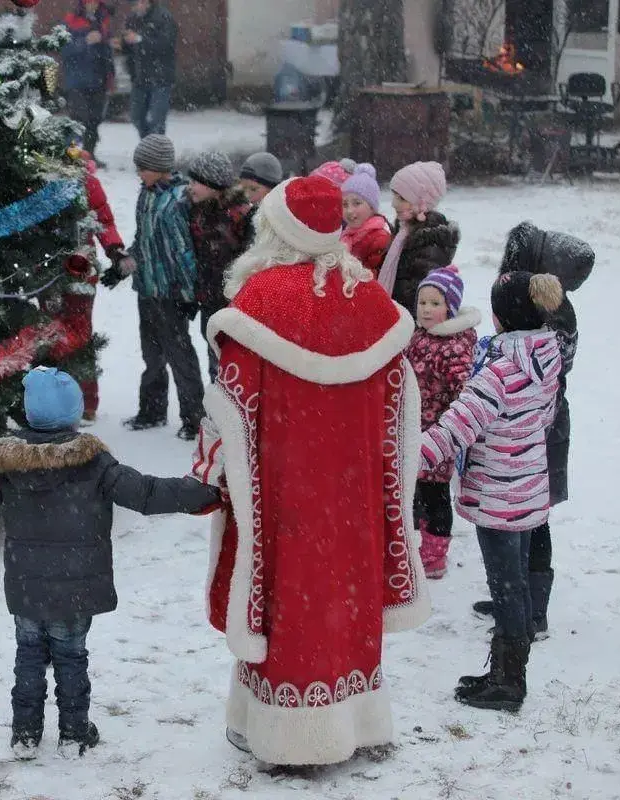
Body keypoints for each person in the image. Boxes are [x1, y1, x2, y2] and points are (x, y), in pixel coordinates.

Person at [190, 175, 429, 767]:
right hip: (353, 496)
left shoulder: (259, 303)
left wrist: (212, 472)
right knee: (345, 600)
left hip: (286, 492)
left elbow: (231, 408)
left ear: (274, 231)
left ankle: (284, 734)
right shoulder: (372, 301)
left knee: (289, 601)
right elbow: (401, 408)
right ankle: (356, 719)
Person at [0, 367, 222, 759]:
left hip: (27, 586)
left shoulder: (7, 466)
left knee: (28, 656)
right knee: (71, 657)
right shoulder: (93, 463)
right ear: (73, 414)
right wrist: (200, 494)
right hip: (76, 586)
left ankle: (25, 734)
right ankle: (74, 733)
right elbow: (145, 493)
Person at [421, 272, 563, 712]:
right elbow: (543, 418)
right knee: (515, 585)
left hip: (499, 496)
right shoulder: (546, 353)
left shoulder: (499, 372)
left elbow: (453, 430)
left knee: (506, 590)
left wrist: (401, 462)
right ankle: (504, 671)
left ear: (501, 318)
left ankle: (508, 682)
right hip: (527, 488)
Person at [472, 222, 595, 637]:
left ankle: (532, 611)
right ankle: (515, 598)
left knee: (533, 517)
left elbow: (549, 367)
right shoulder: (545, 306)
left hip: (543, 424)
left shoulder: (553, 311)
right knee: (519, 518)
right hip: (532, 420)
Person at [114, 135, 204, 440]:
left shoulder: (178, 200)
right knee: (151, 354)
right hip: (147, 289)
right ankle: (152, 410)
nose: (138, 173)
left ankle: (194, 418)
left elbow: (184, 252)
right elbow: (144, 240)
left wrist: (190, 293)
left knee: (180, 355)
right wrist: (126, 264)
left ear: (160, 167)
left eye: (143, 168)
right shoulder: (147, 195)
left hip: (172, 293)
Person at [404, 265, 480, 578]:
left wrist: (446, 429)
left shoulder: (455, 345)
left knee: (435, 494)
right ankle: (416, 541)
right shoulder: (418, 335)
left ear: (449, 307)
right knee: (415, 487)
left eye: (435, 303)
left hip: (439, 435)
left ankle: (435, 555)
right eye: (423, 302)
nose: (426, 309)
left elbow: (462, 392)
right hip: (411, 429)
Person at [69, 143, 130, 422]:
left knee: (79, 332)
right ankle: (46, 397)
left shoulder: (87, 183)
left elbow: (104, 220)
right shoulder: (41, 182)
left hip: (80, 269)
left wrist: (115, 250)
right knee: (45, 331)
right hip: (46, 271)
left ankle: (85, 400)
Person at [186, 150, 254, 380]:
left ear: (213, 185)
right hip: (209, 299)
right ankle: (217, 409)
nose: (190, 187)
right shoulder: (197, 211)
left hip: (234, 303)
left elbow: (250, 256)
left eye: (196, 181)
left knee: (233, 364)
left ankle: (233, 409)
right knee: (214, 361)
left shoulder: (241, 215)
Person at [376, 161, 458, 314]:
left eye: (401, 198)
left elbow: (418, 298)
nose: (393, 204)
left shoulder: (430, 242)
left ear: (422, 202)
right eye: (394, 196)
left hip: (409, 327)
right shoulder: (403, 233)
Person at [61, 1, 116, 162]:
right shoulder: (70, 21)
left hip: (98, 79)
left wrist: (110, 75)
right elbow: (65, 49)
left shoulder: (103, 21)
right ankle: (71, 155)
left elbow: (106, 53)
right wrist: (85, 42)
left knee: (94, 120)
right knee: (78, 119)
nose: (92, 4)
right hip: (77, 80)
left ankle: (89, 156)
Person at [120, 0, 178, 138]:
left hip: (160, 76)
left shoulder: (163, 17)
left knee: (157, 119)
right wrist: (124, 42)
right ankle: (148, 145)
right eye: (133, 4)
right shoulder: (133, 19)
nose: (136, 7)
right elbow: (129, 48)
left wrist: (140, 39)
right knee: (136, 116)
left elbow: (166, 44)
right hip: (139, 77)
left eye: (138, 3)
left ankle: (155, 150)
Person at [339, 163, 391, 278]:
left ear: (372, 206)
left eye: (357, 203)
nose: (349, 210)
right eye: (345, 204)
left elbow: (371, 279)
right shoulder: (346, 235)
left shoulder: (379, 238)